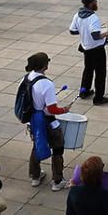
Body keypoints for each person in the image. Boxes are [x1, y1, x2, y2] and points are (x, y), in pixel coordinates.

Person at [24, 52, 69, 191]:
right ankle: (57, 180)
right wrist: (64, 110)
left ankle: (35, 176)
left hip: (32, 120)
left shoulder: (26, 79)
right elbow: (52, 109)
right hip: (48, 121)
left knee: (37, 144)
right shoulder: (47, 84)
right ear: (45, 66)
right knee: (57, 148)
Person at [69, 0, 108, 105]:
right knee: (100, 73)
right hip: (97, 49)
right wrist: (106, 34)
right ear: (90, 4)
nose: (96, 3)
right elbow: (95, 35)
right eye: (95, 1)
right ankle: (98, 98)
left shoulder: (77, 15)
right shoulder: (93, 17)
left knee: (88, 70)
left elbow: (72, 31)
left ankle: (84, 92)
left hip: (86, 48)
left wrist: (83, 31)